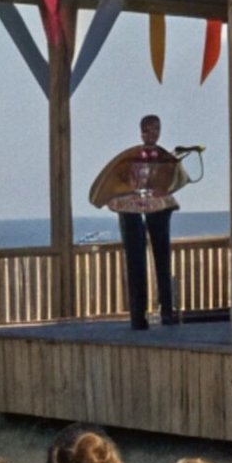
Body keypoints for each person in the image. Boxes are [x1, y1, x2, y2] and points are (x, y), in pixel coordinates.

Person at [89, 114, 184, 331]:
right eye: (149, 130)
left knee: (162, 257)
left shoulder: (164, 157)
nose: (154, 134)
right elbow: (118, 180)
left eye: (157, 129)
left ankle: (166, 311)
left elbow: (171, 179)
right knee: (136, 260)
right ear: (142, 132)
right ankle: (138, 316)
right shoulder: (130, 157)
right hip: (132, 207)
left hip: (158, 207)